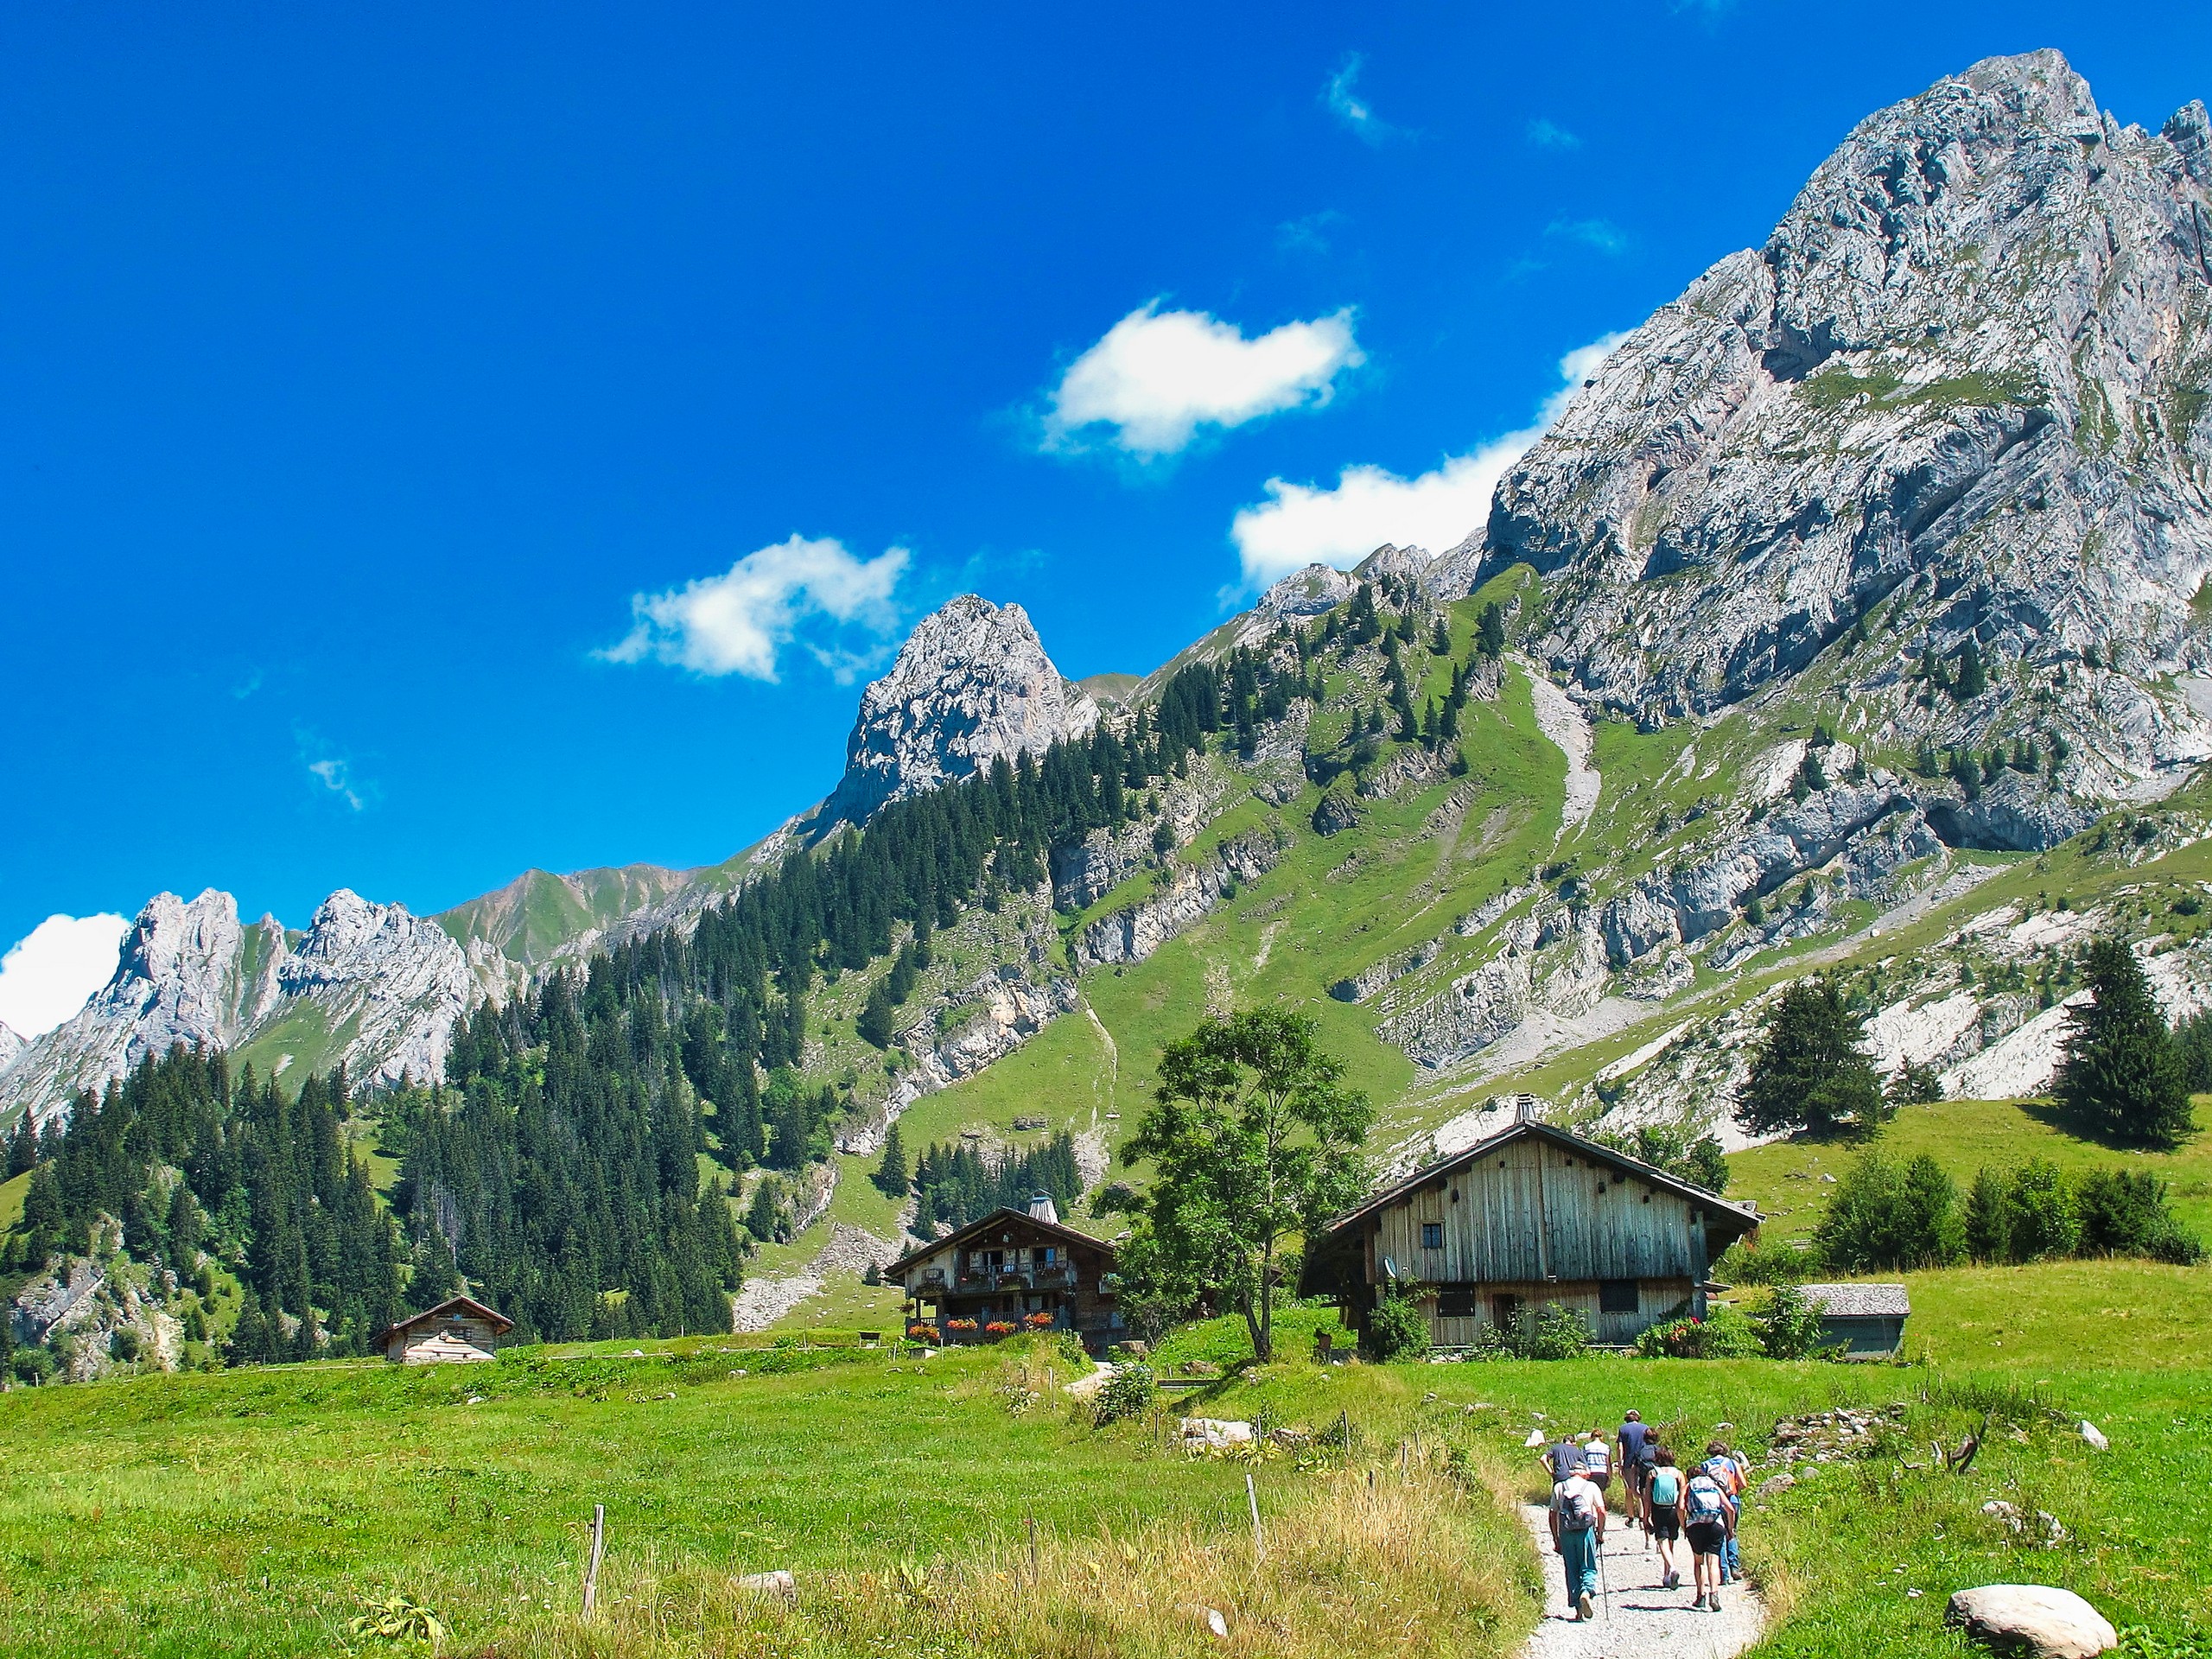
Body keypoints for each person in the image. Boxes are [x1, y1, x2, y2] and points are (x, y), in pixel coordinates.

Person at [1548, 1459, 1608, 1622]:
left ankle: (1578, 1609)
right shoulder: (1591, 1486)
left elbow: (1553, 1513)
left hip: (1566, 1532)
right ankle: (1586, 1591)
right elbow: (1602, 1511)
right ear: (1585, 1473)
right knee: (1588, 1565)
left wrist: (1556, 1539)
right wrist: (1600, 1533)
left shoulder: (1559, 1486)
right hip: (1586, 1531)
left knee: (1571, 1568)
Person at [1682, 1459, 1735, 1612]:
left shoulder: (1688, 1486)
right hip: (1716, 1525)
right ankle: (1714, 1594)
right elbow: (1730, 1509)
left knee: (1699, 1562)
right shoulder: (1714, 1486)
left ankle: (1701, 1595)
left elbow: (1680, 1506)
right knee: (1714, 1562)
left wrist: (1684, 1524)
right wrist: (1730, 1529)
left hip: (1695, 1526)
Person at [1701, 1440, 1745, 1586]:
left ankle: (1724, 1574)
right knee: (1731, 1532)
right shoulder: (1732, 1463)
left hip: (1715, 1502)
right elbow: (1743, 1484)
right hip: (1732, 1499)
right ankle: (1735, 1567)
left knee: (1719, 1536)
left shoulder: (1705, 1465)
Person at [1643, 1446, 1685, 1590]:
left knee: (1662, 1540)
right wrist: (1683, 1516)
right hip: (1674, 1510)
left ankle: (1672, 1569)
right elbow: (1682, 1497)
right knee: (1671, 1541)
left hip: (1658, 1509)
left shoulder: (1653, 1473)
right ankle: (1667, 1576)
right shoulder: (1679, 1474)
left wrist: (1645, 1516)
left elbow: (1647, 1497)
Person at [1616, 1410, 1653, 1528]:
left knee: (1629, 1490)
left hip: (1628, 1462)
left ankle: (1631, 1518)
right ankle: (1642, 1518)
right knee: (1642, 1489)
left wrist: (1620, 1464)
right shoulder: (1645, 1428)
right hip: (1643, 1462)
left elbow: (1620, 1448)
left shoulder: (1623, 1429)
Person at [1580, 1428, 1613, 1502]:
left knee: (1590, 1493)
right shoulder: (1606, 1447)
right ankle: (1601, 1509)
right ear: (1601, 1437)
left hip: (1590, 1472)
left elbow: (1584, 1461)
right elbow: (1608, 1462)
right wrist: (1610, 1476)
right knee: (1600, 1493)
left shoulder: (1587, 1447)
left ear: (1592, 1437)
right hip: (1602, 1472)